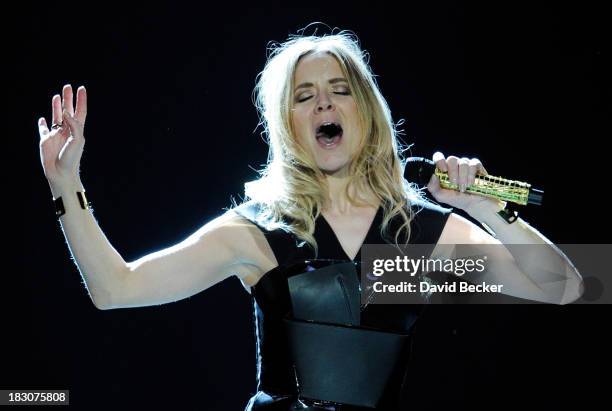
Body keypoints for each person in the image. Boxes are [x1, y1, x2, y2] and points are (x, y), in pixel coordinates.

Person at [37, 30, 583, 410]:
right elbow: (115, 288)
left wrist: (491, 210)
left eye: (339, 91)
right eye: (305, 97)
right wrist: (67, 185)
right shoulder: (255, 232)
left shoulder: (423, 235)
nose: (324, 104)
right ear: (286, 125)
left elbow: (566, 288)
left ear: (365, 112)